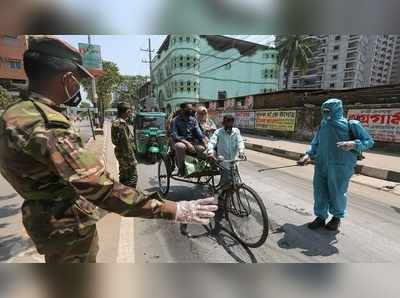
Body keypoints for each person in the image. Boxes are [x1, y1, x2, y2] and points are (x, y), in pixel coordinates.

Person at [0, 36, 217, 263]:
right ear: (67, 78)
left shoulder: (15, 113)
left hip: (49, 219)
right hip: (66, 226)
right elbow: (100, 189)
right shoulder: (45, 124)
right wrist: (173, 209)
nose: (78, 87)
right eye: (78, 81)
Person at [298, 98, 374, 231]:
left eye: (328, 111)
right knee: (319, 191)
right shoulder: (323, 124)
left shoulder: (351, 124)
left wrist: (353, 144)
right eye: (323, 111)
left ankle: (336, 218)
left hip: (341, 166)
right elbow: (316, 143)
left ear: (336, 110)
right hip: (321, 165)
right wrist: (307, 155)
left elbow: (368, 141)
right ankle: (320, 217)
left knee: (337, 192)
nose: (325, 114)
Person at [207, 115, 245, 185]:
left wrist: (241, 151)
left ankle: (228, 194)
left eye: (231, 123)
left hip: (234, 161)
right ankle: (221, 194)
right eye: (227, 123)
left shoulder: (236, 131)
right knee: (226, 181)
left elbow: (240, 141)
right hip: (223, 161)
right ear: (224, 123)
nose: (229, 125)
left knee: (235, 181)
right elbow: (212, 142)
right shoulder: (218, 132)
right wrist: (210, 152)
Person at [171, 103, 207, 176]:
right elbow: (175, 135)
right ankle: (181, 169)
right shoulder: (175, 120)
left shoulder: (193, 120)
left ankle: (197, 167)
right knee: (181, 147)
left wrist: (204, 140)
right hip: (178, 141)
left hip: (192, 141)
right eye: (188, 109)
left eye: (191, 109)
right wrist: (187, 143)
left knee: (202, 148)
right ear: (182, 110)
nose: (190, 111)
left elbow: (198, 133)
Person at [111, 102, 138, 188]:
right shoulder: (121, 124)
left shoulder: (116, 122)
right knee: (132, 178)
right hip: (126, 156)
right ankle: (129, 197)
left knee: (123, 177)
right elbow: (126, 144)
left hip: (120, 154)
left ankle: (122, 195)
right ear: (125, 112)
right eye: (129, 111)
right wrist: (132, 160)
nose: (130, 113)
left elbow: (115, 141)